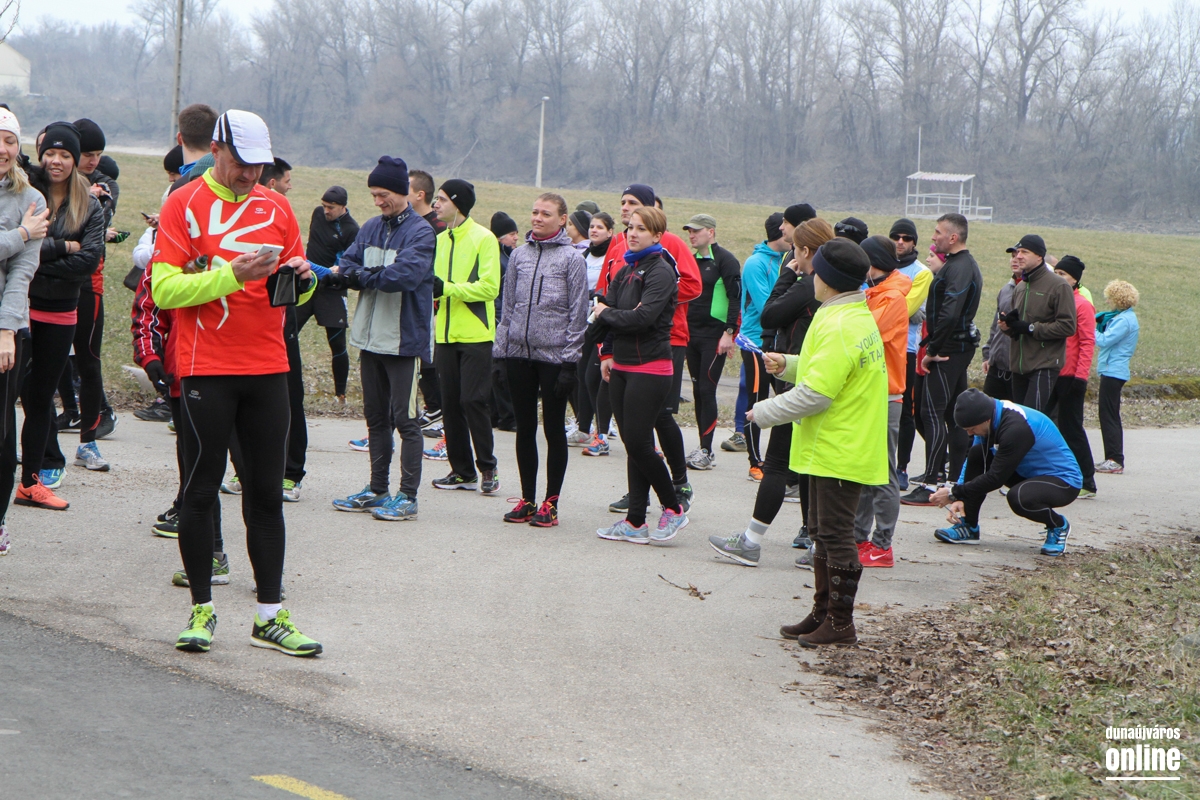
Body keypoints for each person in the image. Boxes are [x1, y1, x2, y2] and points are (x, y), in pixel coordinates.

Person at [152, 109, 321, 657]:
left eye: (260, 166)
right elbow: (164, 290)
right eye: (242, 163)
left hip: (268, 365)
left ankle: (269, 616)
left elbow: (297, 290)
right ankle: (201, 609)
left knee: (266, 494)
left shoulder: (278, 207)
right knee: (201, 491)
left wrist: (303, 280)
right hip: (206, 366)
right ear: (217, 149)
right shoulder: (183, 202)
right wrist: (231, 275)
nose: (251, 175)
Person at [749, 239, 888, 647]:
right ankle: (822, 611)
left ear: (826, 277)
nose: (809, 273)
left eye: (815, 268)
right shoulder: (846, 313)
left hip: (841, 446)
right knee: (821, 532)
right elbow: (827, 371)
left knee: (836, 534)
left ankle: (841, 623)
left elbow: (817, 395)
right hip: (829, 446)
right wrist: (788, 364)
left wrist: (765, 412)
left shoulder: (840, 323)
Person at [708, 217, 833, 567]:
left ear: (805, 251)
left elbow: (769, 314)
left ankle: (752, 542)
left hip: (799, 381)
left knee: (777, 463)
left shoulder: (809, 285)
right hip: (800, 372)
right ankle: (814, 540)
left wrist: (786, 276)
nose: (792, 254)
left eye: (795, 249)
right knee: (807, 465)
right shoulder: (830, 287)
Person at [330, 156, 437, 521]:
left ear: (402, 192)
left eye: (383, 195)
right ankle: (378, 489)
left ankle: (408, 496)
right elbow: (346, 264)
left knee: (406, 420)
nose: (377, 202)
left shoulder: (421, 232)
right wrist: (360, 273)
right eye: (373, 195)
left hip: (403, 342)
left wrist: (361, 276)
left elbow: (403, 277)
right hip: (369, 338)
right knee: (376, 419)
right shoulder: (371, 227)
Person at [596, 184, 701, 515]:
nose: (625, 210)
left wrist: (654, 304)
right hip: (623, 352)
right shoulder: (622, 253)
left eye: (633, 204)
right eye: (623, 204)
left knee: (658, 422)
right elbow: (605, 298)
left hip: (663, 345)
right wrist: (605, 349)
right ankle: (636, 509)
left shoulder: (668, 252)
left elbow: (689, 286)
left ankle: (678, 488)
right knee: (636, 439)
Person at [18, 123, 105, 510]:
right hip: (20, 307)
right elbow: (14, 246)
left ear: (75, 160)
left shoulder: (90, 204)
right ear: (41, 156)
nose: (56, 161)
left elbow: (87, 261)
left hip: (61, 311)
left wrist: (40, 252)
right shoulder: (24, 192)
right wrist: (63, 247)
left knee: (40, 399)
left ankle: (31, 483)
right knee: (9, 395)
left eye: (65, 155)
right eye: (50, 154)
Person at [495, 193, 589, 526]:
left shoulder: (572, 259)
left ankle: (551, 503)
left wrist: (570, 362)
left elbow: (579, 313)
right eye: (534, 212)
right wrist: (501, 352)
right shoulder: (519, 255)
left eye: (546, 214)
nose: (537, 218)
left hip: (554, 358)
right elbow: (507, 307)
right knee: (524, 428)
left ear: (562, 220)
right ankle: (527, 499)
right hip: (518, 354)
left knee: (553, 429)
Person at [930, 389, 1081, 557]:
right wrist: (959, 495)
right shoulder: (989, 415)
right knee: (977, 454)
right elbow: (973, 459)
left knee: (1019, 498)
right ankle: (969, 527)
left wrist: (953, 493)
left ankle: (1058, 525)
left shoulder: (1016, 427)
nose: (969, 433)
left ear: (986, 419)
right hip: (1026, 473)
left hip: (1063, 481)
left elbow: (995, 478)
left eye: (971, 429)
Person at [901, 213, 982, 506]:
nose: (933, 237)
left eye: (937, 232)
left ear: (953, 237)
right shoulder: (959, 264)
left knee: (930, 413)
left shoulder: (960, 267)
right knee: (953, 415)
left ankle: (931, 483)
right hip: (955, 347)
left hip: (949, 349)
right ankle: (954, 481)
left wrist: (933, 350)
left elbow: (949, 312)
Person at [430, 179, 502, 494]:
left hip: (475, 335)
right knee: (450, 405)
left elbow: (490, 287)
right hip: (445, 335)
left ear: (458, 204)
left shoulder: (484, 238)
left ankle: (488, 468)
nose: (436, 204)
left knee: (473, 401)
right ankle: (462, 472)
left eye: (442, 199)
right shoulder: (439, 239)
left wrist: (446, 289)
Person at [0, 108, 50, 553]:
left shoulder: (32, 198)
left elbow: (22, 273)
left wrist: (6, 329)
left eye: (9, 140)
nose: (2, 148)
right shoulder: (25, 219)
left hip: (6, 326)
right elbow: (19, 246)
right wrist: (19, 234)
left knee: (1, 433)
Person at [54, 118, 118, 444]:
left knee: (88, 360)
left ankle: (90, 438)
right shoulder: (50, 184)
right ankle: (67, 411)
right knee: (48, 359)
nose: (94, 161)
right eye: (88, 154)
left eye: (99, 154)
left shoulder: (104, 186)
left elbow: (88, 236)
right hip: (52, 283)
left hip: (89, 283)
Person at [851, 236, 912, 568]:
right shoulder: (874, 293)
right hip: (870, 393)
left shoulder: (892, 298)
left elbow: (864, 334)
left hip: (886, 395)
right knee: (864, 470)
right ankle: (859, 538)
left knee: (883, 474)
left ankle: (882, 545)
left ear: (874, 263)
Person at [682, 213, 740, 470]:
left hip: (714, 336)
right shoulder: (691, 260)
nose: (691, 235)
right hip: (691, 334)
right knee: (697, 390)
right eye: (689, 231)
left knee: (707, 390)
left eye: (696, 231)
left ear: (710, 232)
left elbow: (735, 297)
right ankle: (702, 447)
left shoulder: (726, 260)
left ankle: (706, 451)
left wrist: (729, 332)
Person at [738, 212, 790, 481]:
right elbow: (765, 306)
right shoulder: (755, 263)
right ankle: (755, 461)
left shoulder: (787, 259)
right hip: (756, 342)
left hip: (780, 343)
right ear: (780, 233)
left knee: (785, 401)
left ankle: (778, 461)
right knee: (757, 402)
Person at [999, 234, 1076, 410]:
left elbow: (1068, 326)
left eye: (1024, 252)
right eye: (1018, 252)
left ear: (1039, 256)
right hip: (1018, 366)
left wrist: (1031, 328)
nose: (1019, 256)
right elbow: (1018, 328)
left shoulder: (1059, 286)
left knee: (1031, 419)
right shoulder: (1020, 287)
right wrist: (1008, 327)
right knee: (1019, 417)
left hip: (1044, 365)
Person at [300, 185, 360, 403]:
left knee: (337, 343)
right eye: (324, 205)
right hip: (307, 284)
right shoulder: (317, 214)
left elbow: (346, 265)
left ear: (343, 206)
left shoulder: (351, 229)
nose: (326, 210)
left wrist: (328, 269)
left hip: (332, 288)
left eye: (331, 207)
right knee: (286, 332)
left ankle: (340, 394)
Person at [1046, 255, 1097, 498]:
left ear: (1075, 279)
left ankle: (1087, 480)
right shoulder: (1055, 301)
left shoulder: (1082, 305)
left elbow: (1087, 342)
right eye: (1055, 273)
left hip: (1070, 376)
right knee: (1045, 424)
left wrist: (1080, 377)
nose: (1057, 278)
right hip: (1050, 371)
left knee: (1071, 428)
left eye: (1062, 274)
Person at [889, 219, 931, 490]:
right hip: (880, 346)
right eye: (896, 237)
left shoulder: (921, 272)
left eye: (906, 238)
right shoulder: (881, 266)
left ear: (914, 242)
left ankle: (902, 467)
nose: (901, 242)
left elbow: (911, 311)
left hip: (906, 349)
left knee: (904, 411)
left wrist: (888, 303)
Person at [407, 168, 445, 437]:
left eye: (405, 190)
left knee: (429, 361)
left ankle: (438, 410)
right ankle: (431, 408)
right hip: (410, 302)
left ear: (420, 195)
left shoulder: (438, 228)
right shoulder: (406, 223)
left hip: (433, 306)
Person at [1094, 280, 1140, 474]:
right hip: (1111, 370)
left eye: (1110, 297)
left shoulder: (1124, 320)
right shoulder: (1122, 317)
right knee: (1108, 413)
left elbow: (1104, 340)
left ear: (1118, 299)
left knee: (1109, 415)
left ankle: (1115, 460)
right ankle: (1112, 458)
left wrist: (1088, 328)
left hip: (1113, 371)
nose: (1107, 301)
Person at [581, 212, 616, 456]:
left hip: (602, 322)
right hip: (583, 322)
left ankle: (603, 427)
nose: (594, 230)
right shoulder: (584, 255)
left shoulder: (611, 256)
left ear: (610, 232)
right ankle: (586, 426)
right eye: (592, 226)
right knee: (582, 375)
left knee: (594, 377)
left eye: (600, 227)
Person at [489, 210, 519, 433]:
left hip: (503, 319)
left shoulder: (509, 256)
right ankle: (507, 417)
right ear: (500, 237)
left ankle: (496, 415)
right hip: (499, 319)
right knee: (501, 370)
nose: (516, 238)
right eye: (512, 234)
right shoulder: (498, 259)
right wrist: (501, 318)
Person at [982, 253, 1021, 402]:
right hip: (996, 367)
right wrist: (987, 354)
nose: (1015, 260)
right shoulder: (1005, 289)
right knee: (988, 411)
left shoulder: (1035, 292)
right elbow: (995, 326)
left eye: (1020, 255)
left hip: (1019, 370)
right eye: (1013, 256)